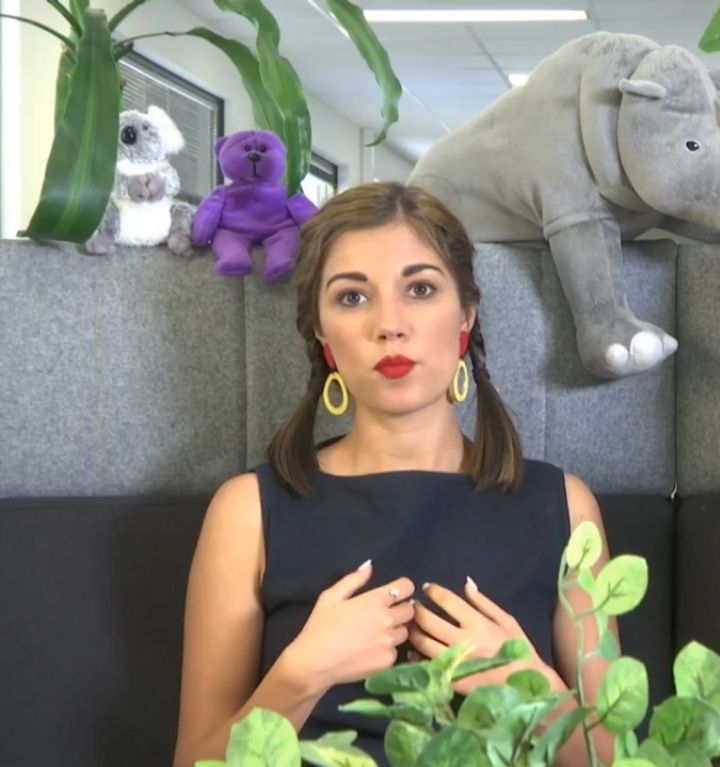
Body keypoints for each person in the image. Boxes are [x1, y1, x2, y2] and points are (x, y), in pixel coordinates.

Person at [173, 182, 617, 767]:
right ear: (323, 335)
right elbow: (195, 760)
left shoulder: (563, 506)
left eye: (421, 289)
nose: (390, 324)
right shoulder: (248, 512)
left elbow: (618, 757)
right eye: (353, 297)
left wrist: (530, 692)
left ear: (465, 316)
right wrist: (301, 673)